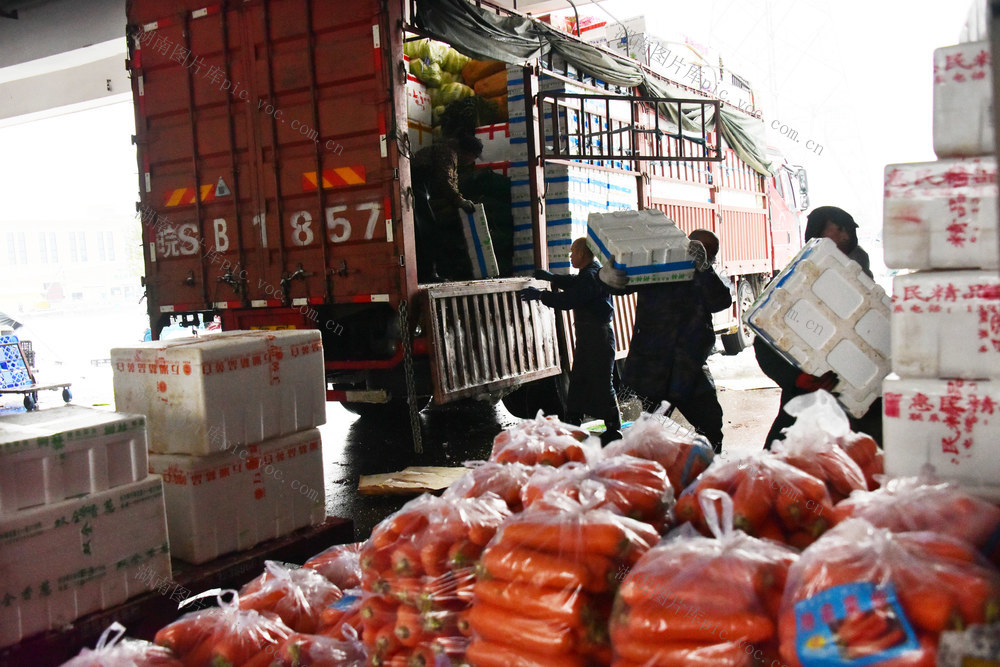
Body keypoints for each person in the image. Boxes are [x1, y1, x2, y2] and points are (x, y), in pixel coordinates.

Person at [754, 205, 883, 448]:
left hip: (862, 404)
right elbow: (765, 344)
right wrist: (797, 378)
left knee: (864, 461)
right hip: (808, 401)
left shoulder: (866, 283)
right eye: (839, 229)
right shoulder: (797, 283)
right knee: (788, 460)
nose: (845, 236)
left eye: (848, 230)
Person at [599, 229, 733, 453]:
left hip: (689, 366)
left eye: (710, 252)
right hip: (654, 365)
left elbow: (721, 301)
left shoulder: (705, 275)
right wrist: (605, 276)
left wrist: (705, 269)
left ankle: (708, 467)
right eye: (703, 247)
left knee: (710, 425)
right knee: (651, 430)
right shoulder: (659, 265)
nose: (706, 254)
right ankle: (651, 469)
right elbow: (623, 284)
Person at [518, 238, 623, 445]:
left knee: (602, 382)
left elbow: (569, 299)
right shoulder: (590, 272)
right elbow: (574, 282)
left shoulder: (591, 276)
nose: (570, 256)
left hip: (598, 338)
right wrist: (552, 278)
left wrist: (541, 295)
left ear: (583, 254)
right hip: (589, 336)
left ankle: (613, 428)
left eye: (573, 252)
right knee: (579, 380)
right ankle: (573, 423)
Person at [411, 133, 483, 281]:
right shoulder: (447, 153)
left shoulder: (448, 151)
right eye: (474, 157)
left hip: (421, 190)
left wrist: (457, 200)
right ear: (469, 153)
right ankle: (428, 274)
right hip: (417, 188)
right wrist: (459, 201)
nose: (472, 161)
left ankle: (432, 272)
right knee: (427, 229)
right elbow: (445, 181)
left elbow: (450, 183)